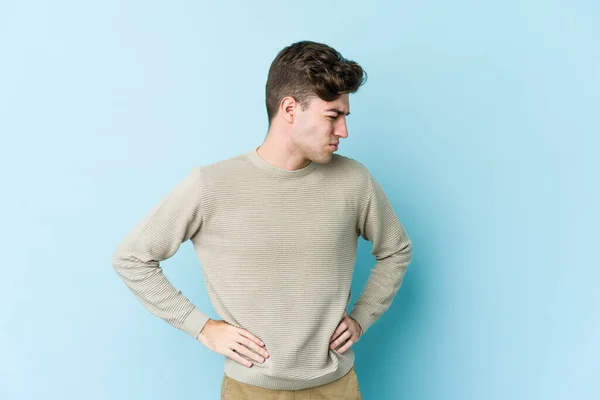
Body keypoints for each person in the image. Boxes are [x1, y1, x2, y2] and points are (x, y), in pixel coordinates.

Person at [112, 40, 413, 399]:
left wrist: (362, 316)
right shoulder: (211, 185)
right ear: (289, 109)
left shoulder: (354, 181)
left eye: (345, 117)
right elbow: (132, 258)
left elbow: (396, 251)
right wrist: (202, 327)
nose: (343, 131)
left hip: (337, 388)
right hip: (250, 390)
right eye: (333, 116)